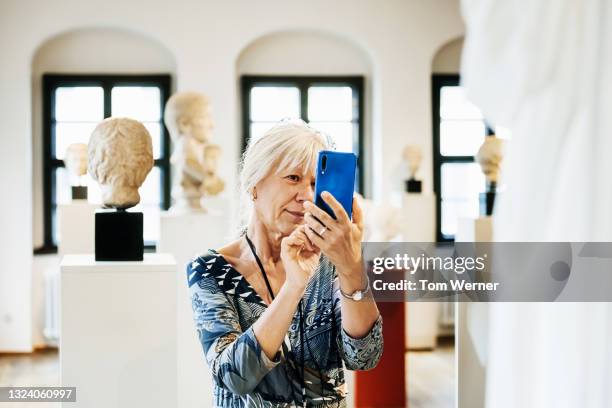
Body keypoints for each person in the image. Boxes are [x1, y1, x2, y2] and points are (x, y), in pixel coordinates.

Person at [186, 120, 383, 407]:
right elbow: (233, 376)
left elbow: (364, 356)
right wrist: (293, 286)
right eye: (293, 178)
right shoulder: (211, 270)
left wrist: (351, 267)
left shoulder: (328, 264)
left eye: (315, 183)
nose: (306, 196)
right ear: (254, 185)